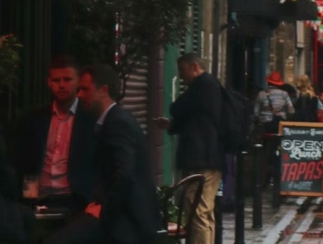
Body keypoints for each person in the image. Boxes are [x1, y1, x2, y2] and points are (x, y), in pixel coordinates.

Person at [46, 64, 161, 244]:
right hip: (121, 216)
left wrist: (104, 211)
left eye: (85, 89)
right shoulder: (112, 120)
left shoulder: (117, 123)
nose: (80, 95)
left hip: (126, 224)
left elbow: (124, 175)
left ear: (103, 90)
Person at [14, 54, 97, 211]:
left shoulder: (90, 119)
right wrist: (28, 201)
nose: (61, 85)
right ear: (49, 83)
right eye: (56, 80)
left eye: (67, 80)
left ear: (78, 81)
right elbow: (27, 163)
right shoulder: (34, 119)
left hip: (76, 202)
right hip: (39, 200)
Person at [155, 55, 222, 244]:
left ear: (194, 67)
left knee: (197, 209)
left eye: (183, 71)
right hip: (209, 158)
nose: (181, 76)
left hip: (202, 159)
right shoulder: (210, 87)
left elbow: (177, 107)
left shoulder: (203, 85)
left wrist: (175, 119)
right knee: (204, 212)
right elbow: (197, 119)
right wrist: (172, 126)